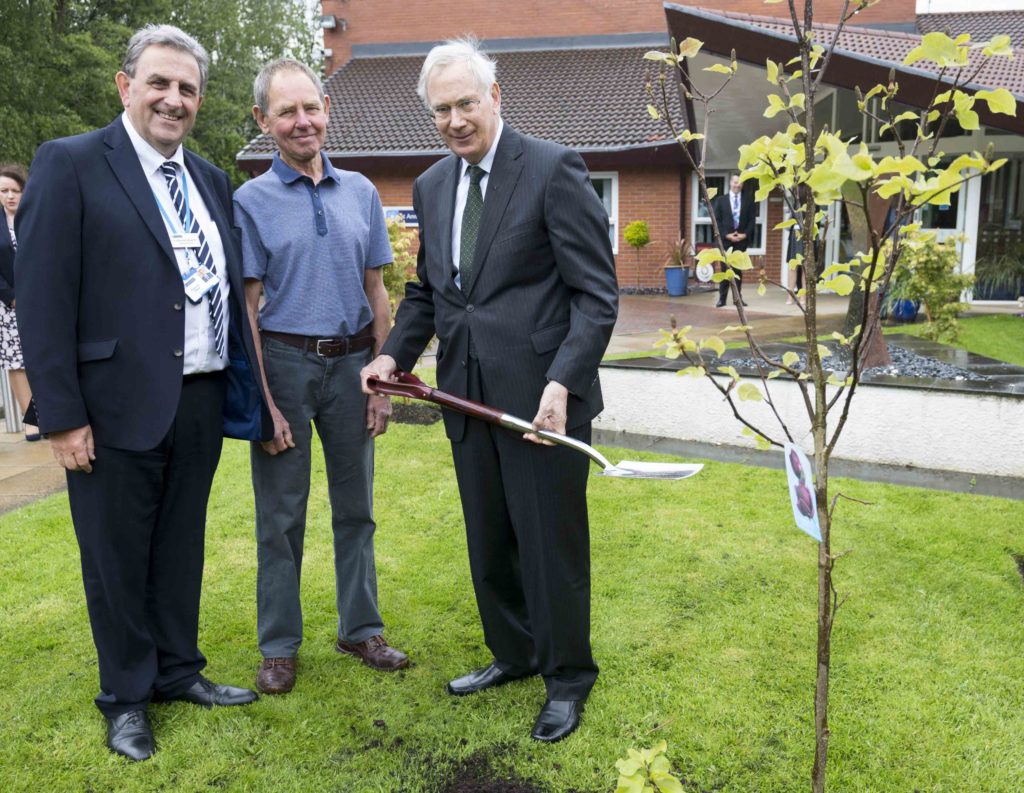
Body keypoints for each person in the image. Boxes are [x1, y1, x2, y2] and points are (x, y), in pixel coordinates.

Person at [14, 24, 273, 762]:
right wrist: (60, 416)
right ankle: (126, 695)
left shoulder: (211, 180)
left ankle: (178, 670)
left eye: (187, 88)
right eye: (159, 83)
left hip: (196, 395)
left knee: (178, 545)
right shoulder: (69, 164)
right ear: (126, 86)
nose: (174, 99)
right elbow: (42, 300)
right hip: (110, 404)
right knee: (116, 556)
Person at [360, 38, 618, 743]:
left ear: (496, 97)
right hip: (465, 397)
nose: (454, 119)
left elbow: (595, 297)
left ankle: (567, 677)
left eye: (466, 102)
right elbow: (427, 294)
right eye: (441, 109)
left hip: (542, 402)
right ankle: (515, 652)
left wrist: (565, 380)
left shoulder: (553, 169)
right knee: (490, 538)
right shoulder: (432, 186)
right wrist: (391, 356)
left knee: (548, 543)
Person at [234, 59, 408, 696]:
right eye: (286, 111)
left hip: (354, 366)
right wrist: (263, 402)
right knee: (281, 515)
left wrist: (384, 383)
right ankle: (279, 645)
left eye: (310, 107)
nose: (302, 121)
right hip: (282, 365)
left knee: (356, 508)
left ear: (326, 108)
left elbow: (378, 293)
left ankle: (361, 628)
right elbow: (248, 309)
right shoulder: (249, 201)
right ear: (264, 121)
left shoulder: (361, 191)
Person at [0, 163, 39, 441]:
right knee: (16, 363)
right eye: (4, 191)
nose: (10, 196)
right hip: (7, 304)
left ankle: (50, 412)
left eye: (15, 190)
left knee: (39, 356)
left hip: (39, 300)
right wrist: (10, 296)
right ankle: (31, 421)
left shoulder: (35, 216)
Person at [711, 173, 756, 307]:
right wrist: (726, 235)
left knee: (738, 271)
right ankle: (722, 298)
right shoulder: (720, 200)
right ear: (730, 182)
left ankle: (738, 298)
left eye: (740, 183)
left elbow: (751, 220)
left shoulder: (748, 200)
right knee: (725, 270)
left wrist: (745, 234)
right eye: (735, 182)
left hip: (741, 242)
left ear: (742, 184)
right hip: (725, 241)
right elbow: (716, 221)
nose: (737, 185)